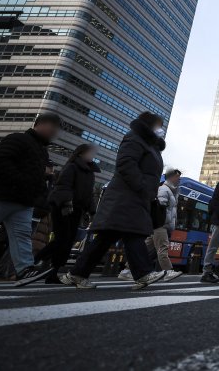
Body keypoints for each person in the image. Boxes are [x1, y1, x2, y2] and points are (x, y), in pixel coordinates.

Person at [61, 112, 167, 290]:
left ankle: (77, 274)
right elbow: (126, 163)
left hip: (132, 196)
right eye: (157, 125)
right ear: (149, 125)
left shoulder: (148, 143)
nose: (160, 129)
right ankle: (143, 274)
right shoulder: (135, 138)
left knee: (107, 237)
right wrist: (142, 187)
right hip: (127, 195)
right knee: (132, 233)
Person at [0, 113, 61, 286]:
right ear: (41, 124)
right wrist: (24, 180)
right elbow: (0, 161)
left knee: (22, 235)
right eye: (52, 128)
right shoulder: (18, 139)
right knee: (21, 235)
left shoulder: (42, 150)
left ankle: (24, 269)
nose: (54, 133)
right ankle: (24, 269)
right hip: (3, 194)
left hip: (24, 201)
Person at [35, 144, 99, 284]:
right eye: (90, 153)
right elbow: (64, 185)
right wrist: (66, 203)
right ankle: (34, 261)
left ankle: (53, 273)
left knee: (68, 241)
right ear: (81, 153)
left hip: (77, 209)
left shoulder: (89, 172)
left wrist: (92, 211)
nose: (92, 155)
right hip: (63, 206)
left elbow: (90, 194)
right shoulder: (72, 167)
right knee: (62, 239)